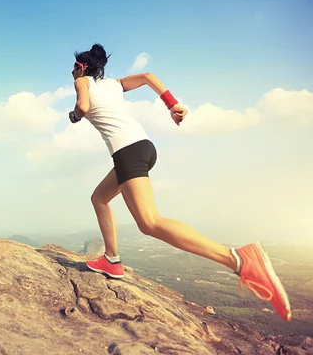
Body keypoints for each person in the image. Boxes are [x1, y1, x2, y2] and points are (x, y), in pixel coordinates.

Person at [68, 43, 291, 322]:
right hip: (143, 147)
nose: (72, 72)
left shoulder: (83, 82)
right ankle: (112, 260)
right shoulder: (113, 85)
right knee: (99, 198)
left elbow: (82, 106)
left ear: (82, 67)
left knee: (150, 222)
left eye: (74, 67)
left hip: (127, 152)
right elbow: (148, 76)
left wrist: (75, 116)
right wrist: (173, 105)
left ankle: (238, 259)